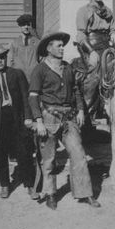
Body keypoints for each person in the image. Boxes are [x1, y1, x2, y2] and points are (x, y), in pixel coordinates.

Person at [28, 32, 100, 210]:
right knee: (49, 159)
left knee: (79, 155)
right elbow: (33, 97)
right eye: (58, 46)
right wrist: (38, 120)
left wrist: (81, 110)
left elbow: (76, 90)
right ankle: (51, 194)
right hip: (49, 118)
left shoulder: (68, 68)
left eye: (62, 45)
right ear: (48, 48)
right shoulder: (40, 69)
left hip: (69, 118)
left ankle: (85, 193)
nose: (62, 48)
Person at [0, 47, 36, 199]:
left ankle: (30, 185)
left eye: (2, 58)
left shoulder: (16, 74)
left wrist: (28, 117)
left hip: (16, 118)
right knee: (0, 155)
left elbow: (25, 97)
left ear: (6, 58)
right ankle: (4, 185)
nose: (0, 61)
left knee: (24, 153)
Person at [75, 0, 115, 119]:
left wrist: (114, 34)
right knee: (94, 72)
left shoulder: (108, 12)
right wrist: (91, 51)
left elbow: (112, 28)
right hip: (91, 46)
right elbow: (80, 35)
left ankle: (114, 109)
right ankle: (86, 110)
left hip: (107, 45)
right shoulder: (84, 11)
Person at [9, 13, 41, 79]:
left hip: (33, 76)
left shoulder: (37, 42)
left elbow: (41, 60)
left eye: (28, 24)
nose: (26, 27)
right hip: (18, 78)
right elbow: (10, 62)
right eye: (23, 25)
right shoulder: (14, 43)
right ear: (20, 26)